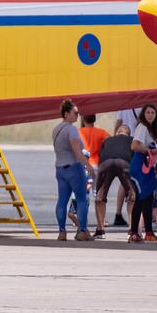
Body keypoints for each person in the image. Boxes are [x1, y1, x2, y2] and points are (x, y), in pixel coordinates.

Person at [51, 99, 93, 242]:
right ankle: (82, 231)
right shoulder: (71, 129)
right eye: (75, 113)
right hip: (74, 168)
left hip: (60, 168)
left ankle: (62, 232)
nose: (77, 115)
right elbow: (77, 150)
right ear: (67, 113)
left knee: (62, 200)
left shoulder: (56, 129)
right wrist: (88, 166)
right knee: (81, 200)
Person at [93, 121, 137, 237]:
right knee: (132, 197)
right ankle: (132, 230)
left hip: (106, 163)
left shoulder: (107, 140)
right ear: (128, 134)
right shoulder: (132, 140)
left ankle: (100, 230)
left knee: (99, 196)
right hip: (124, 163)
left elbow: (101, 156)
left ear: (117, 132)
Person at [128, 141, 157, 243]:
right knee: (141, 200)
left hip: (146, 175)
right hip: (140, 173)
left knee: (145, 201)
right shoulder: (142, 130)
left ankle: (141, 234)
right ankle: (138, 234)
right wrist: (150, 151)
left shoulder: (148, 135)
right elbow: (134, 146)